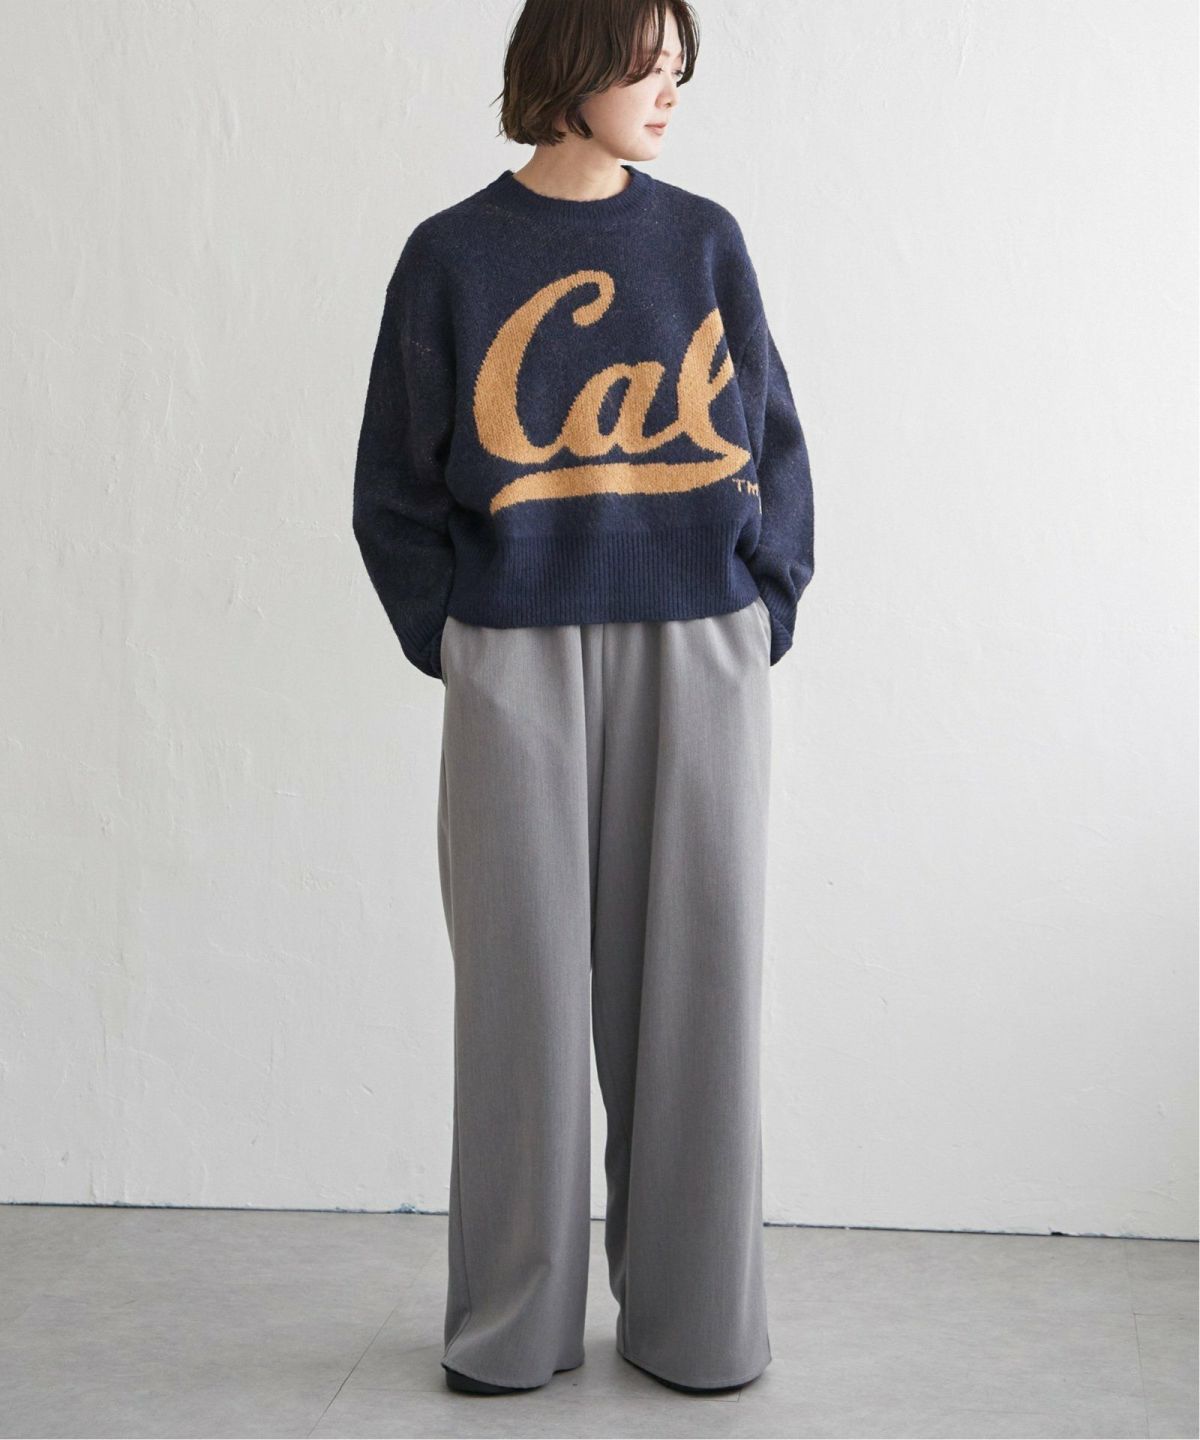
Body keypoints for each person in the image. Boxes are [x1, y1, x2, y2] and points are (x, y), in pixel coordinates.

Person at [352, 0, 815, 1399]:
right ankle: (514, 1324)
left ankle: (698, 1324)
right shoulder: (452, 255)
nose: (669, 88)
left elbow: (775, 442)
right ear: (569, 65)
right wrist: (457, 643)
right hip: (517, 657)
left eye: (680, 65)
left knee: (701, 997)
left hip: (699, 648)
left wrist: (764, 605)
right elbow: (394, 485)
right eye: (644, 62)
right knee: (521, 1003)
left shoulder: (704, 240)